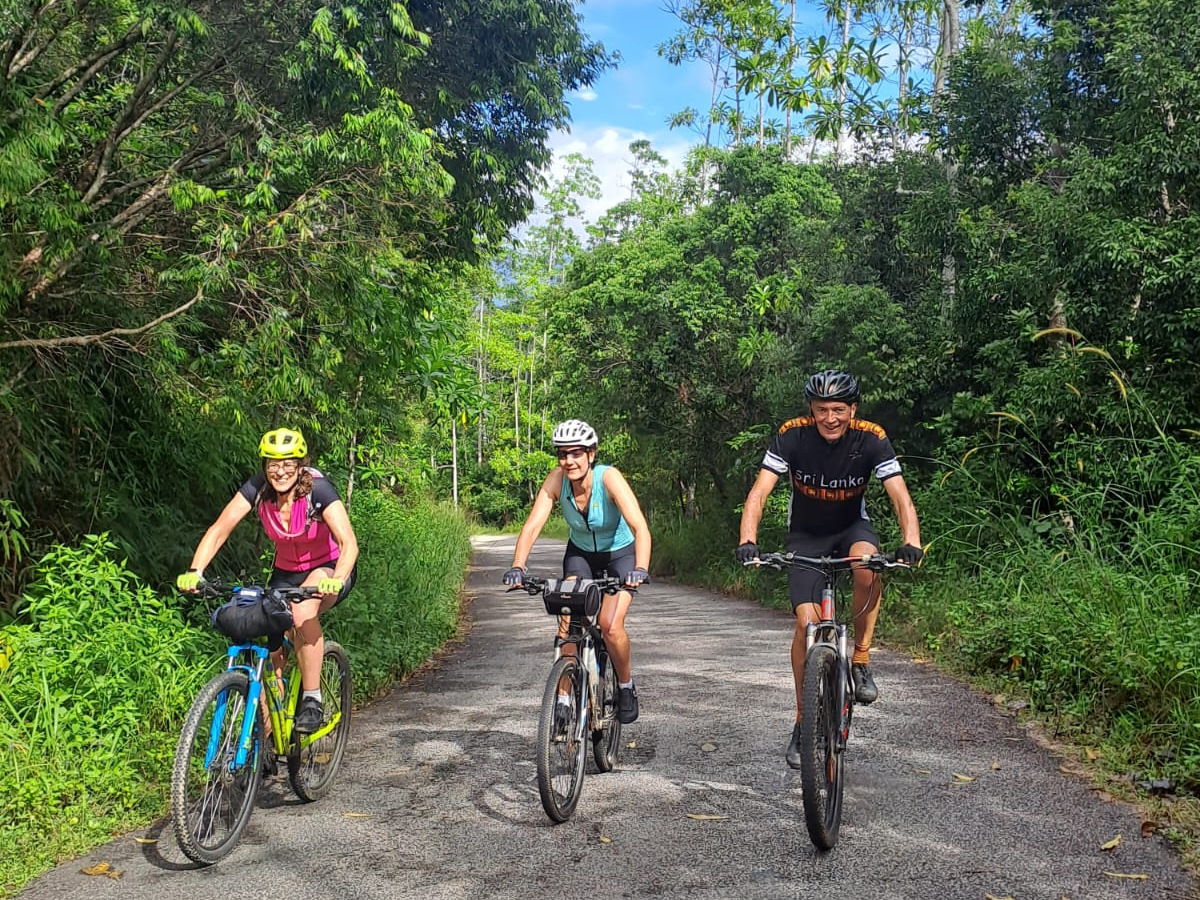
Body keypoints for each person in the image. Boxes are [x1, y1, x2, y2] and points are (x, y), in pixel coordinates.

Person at [735, 370, 922, 768]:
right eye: (823, 410)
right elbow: (760, 491)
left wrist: (911, 540)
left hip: (852, 526)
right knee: (807, 626)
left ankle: (861, 658)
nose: (831, 418)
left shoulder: (871, 437)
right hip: (805, 534)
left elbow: (900, 496)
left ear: (852, 409)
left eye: (839, 409)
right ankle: (804, 722)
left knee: (866, 565)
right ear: (812, 411)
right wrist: (747, 540)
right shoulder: (792, 435)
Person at [177, 427, 359, 733]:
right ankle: (265, 736)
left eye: (288, 463)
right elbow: (220, 528)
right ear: (265, 466)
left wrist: (337, 578)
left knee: (301, 613)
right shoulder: (258, 489)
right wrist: (196, 570)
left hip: (327, 568)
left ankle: (313, 700)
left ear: (301, 464)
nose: (280, 471)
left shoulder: (319, 490)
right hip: (286, 571)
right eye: (273, 464)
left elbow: (349, 543)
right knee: (269, 643)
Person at [503, 419, 651, 724]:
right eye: (562, 454)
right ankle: (564, 698)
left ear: (591, 454)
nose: (568, 460)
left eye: (576, 453)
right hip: (581, 555)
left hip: (619, 555)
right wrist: (517, 566)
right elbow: (532, 526)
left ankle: (625, 686)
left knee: (609, 625)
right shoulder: (556, 481)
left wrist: (640, 568)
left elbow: (640, 527)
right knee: (569, 622)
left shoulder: (609, 478)